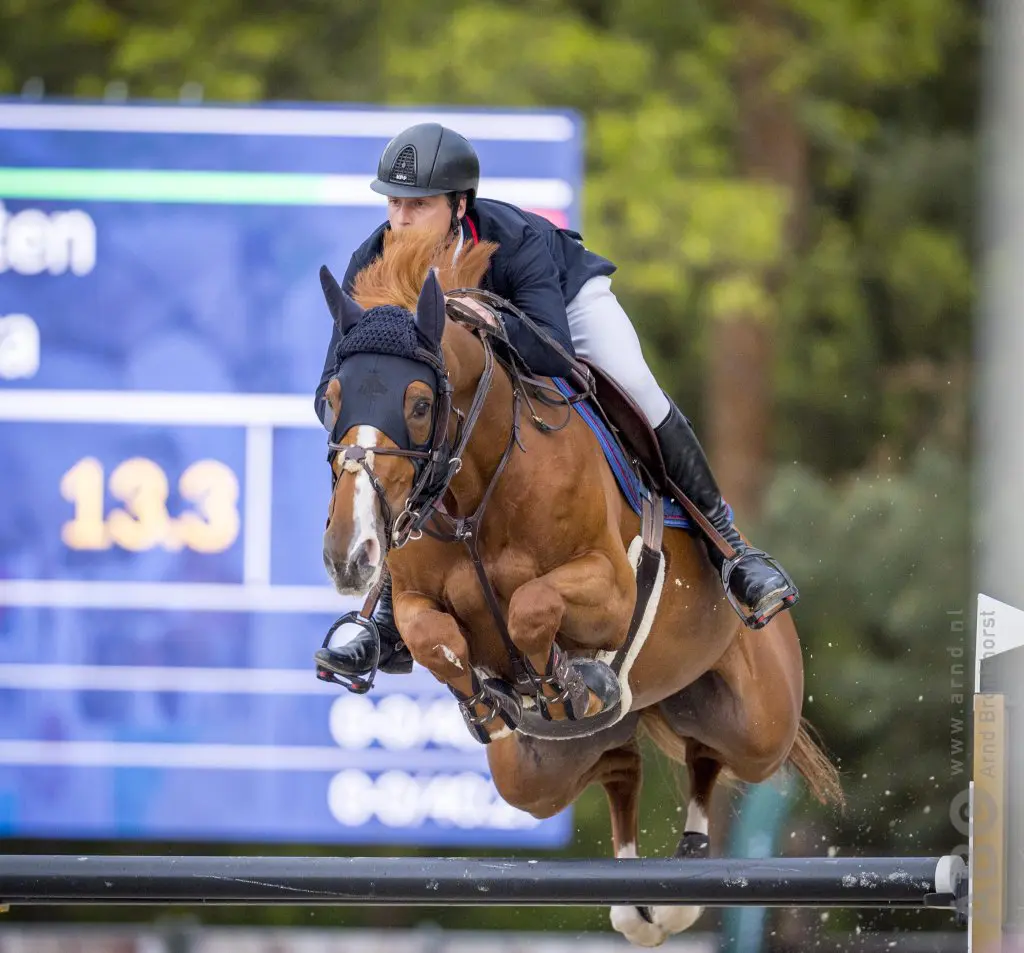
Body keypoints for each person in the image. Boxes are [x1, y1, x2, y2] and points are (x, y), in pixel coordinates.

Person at [314, 122, 798, 680]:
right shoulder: (370, 259)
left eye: (418, 205)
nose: (400, 221)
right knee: (392, 447)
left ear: (458, 203)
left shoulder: (513, 240)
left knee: (636, 386)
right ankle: (386, 619)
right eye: (394, 204)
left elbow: (554, 355)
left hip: (566, 308)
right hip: (464, 379)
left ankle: (732, 551)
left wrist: (489, 323)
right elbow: (333, 381)